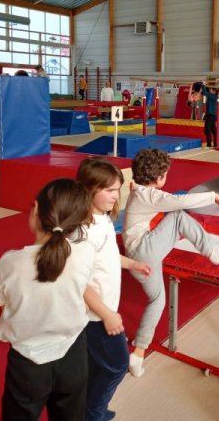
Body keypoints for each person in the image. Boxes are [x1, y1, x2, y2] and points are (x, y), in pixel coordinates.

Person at [123, 148, 219, 378]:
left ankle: (138, 354)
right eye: (165, 174)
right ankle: (212, 250)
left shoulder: (138, 192)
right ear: (159, 178)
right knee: (177, 216)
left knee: (157, 301)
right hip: (144, 252)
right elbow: (178, 201)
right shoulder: (148, 195)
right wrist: (213, 196)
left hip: (137, 258)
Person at [0, 179, 96, 421]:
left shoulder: (10, 262)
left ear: (36, 210)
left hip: (27, 362)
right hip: (73, 355)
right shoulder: (86, 252)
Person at [76, 157, 151, 421]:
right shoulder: (83, 232)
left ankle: (87, 408)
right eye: (109, 190)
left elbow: (107, 256)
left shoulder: (103, 218)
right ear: (88, 189)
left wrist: (132, 263)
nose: (115, 196)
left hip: (102, 310)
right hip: (94, 315)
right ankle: (92, 414)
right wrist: (107, 314)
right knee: (118, 365)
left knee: (96, 365)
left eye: (117, 189)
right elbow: (79, 282)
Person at [201, 82, 219, 147]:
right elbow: (204, 92)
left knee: (207, 129)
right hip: (210, 115)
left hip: (211, 116)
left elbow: (205, 93)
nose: (209, 90)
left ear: (213, 90)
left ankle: (209, 144)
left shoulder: (214, 96)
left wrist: (203, 85)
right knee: (213, 130)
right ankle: (215, 143)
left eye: (210, 89)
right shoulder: (211, 96)